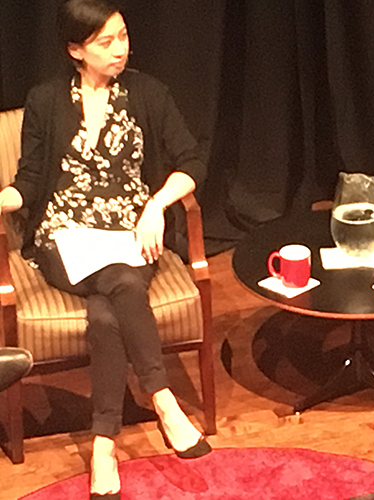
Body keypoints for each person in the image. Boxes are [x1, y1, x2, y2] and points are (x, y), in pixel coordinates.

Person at [0, 1, 211, 498]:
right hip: (64, 234)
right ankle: (163, 399)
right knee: (119, 282)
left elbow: (191, 161)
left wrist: (157, 204)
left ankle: (102, 445)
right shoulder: (46, 99)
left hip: (133, 230)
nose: (120, 49)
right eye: (106, 42)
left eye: (123, 36)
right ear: (76, 50)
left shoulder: (148, 92)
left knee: (106, 315)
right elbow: (29, 183)